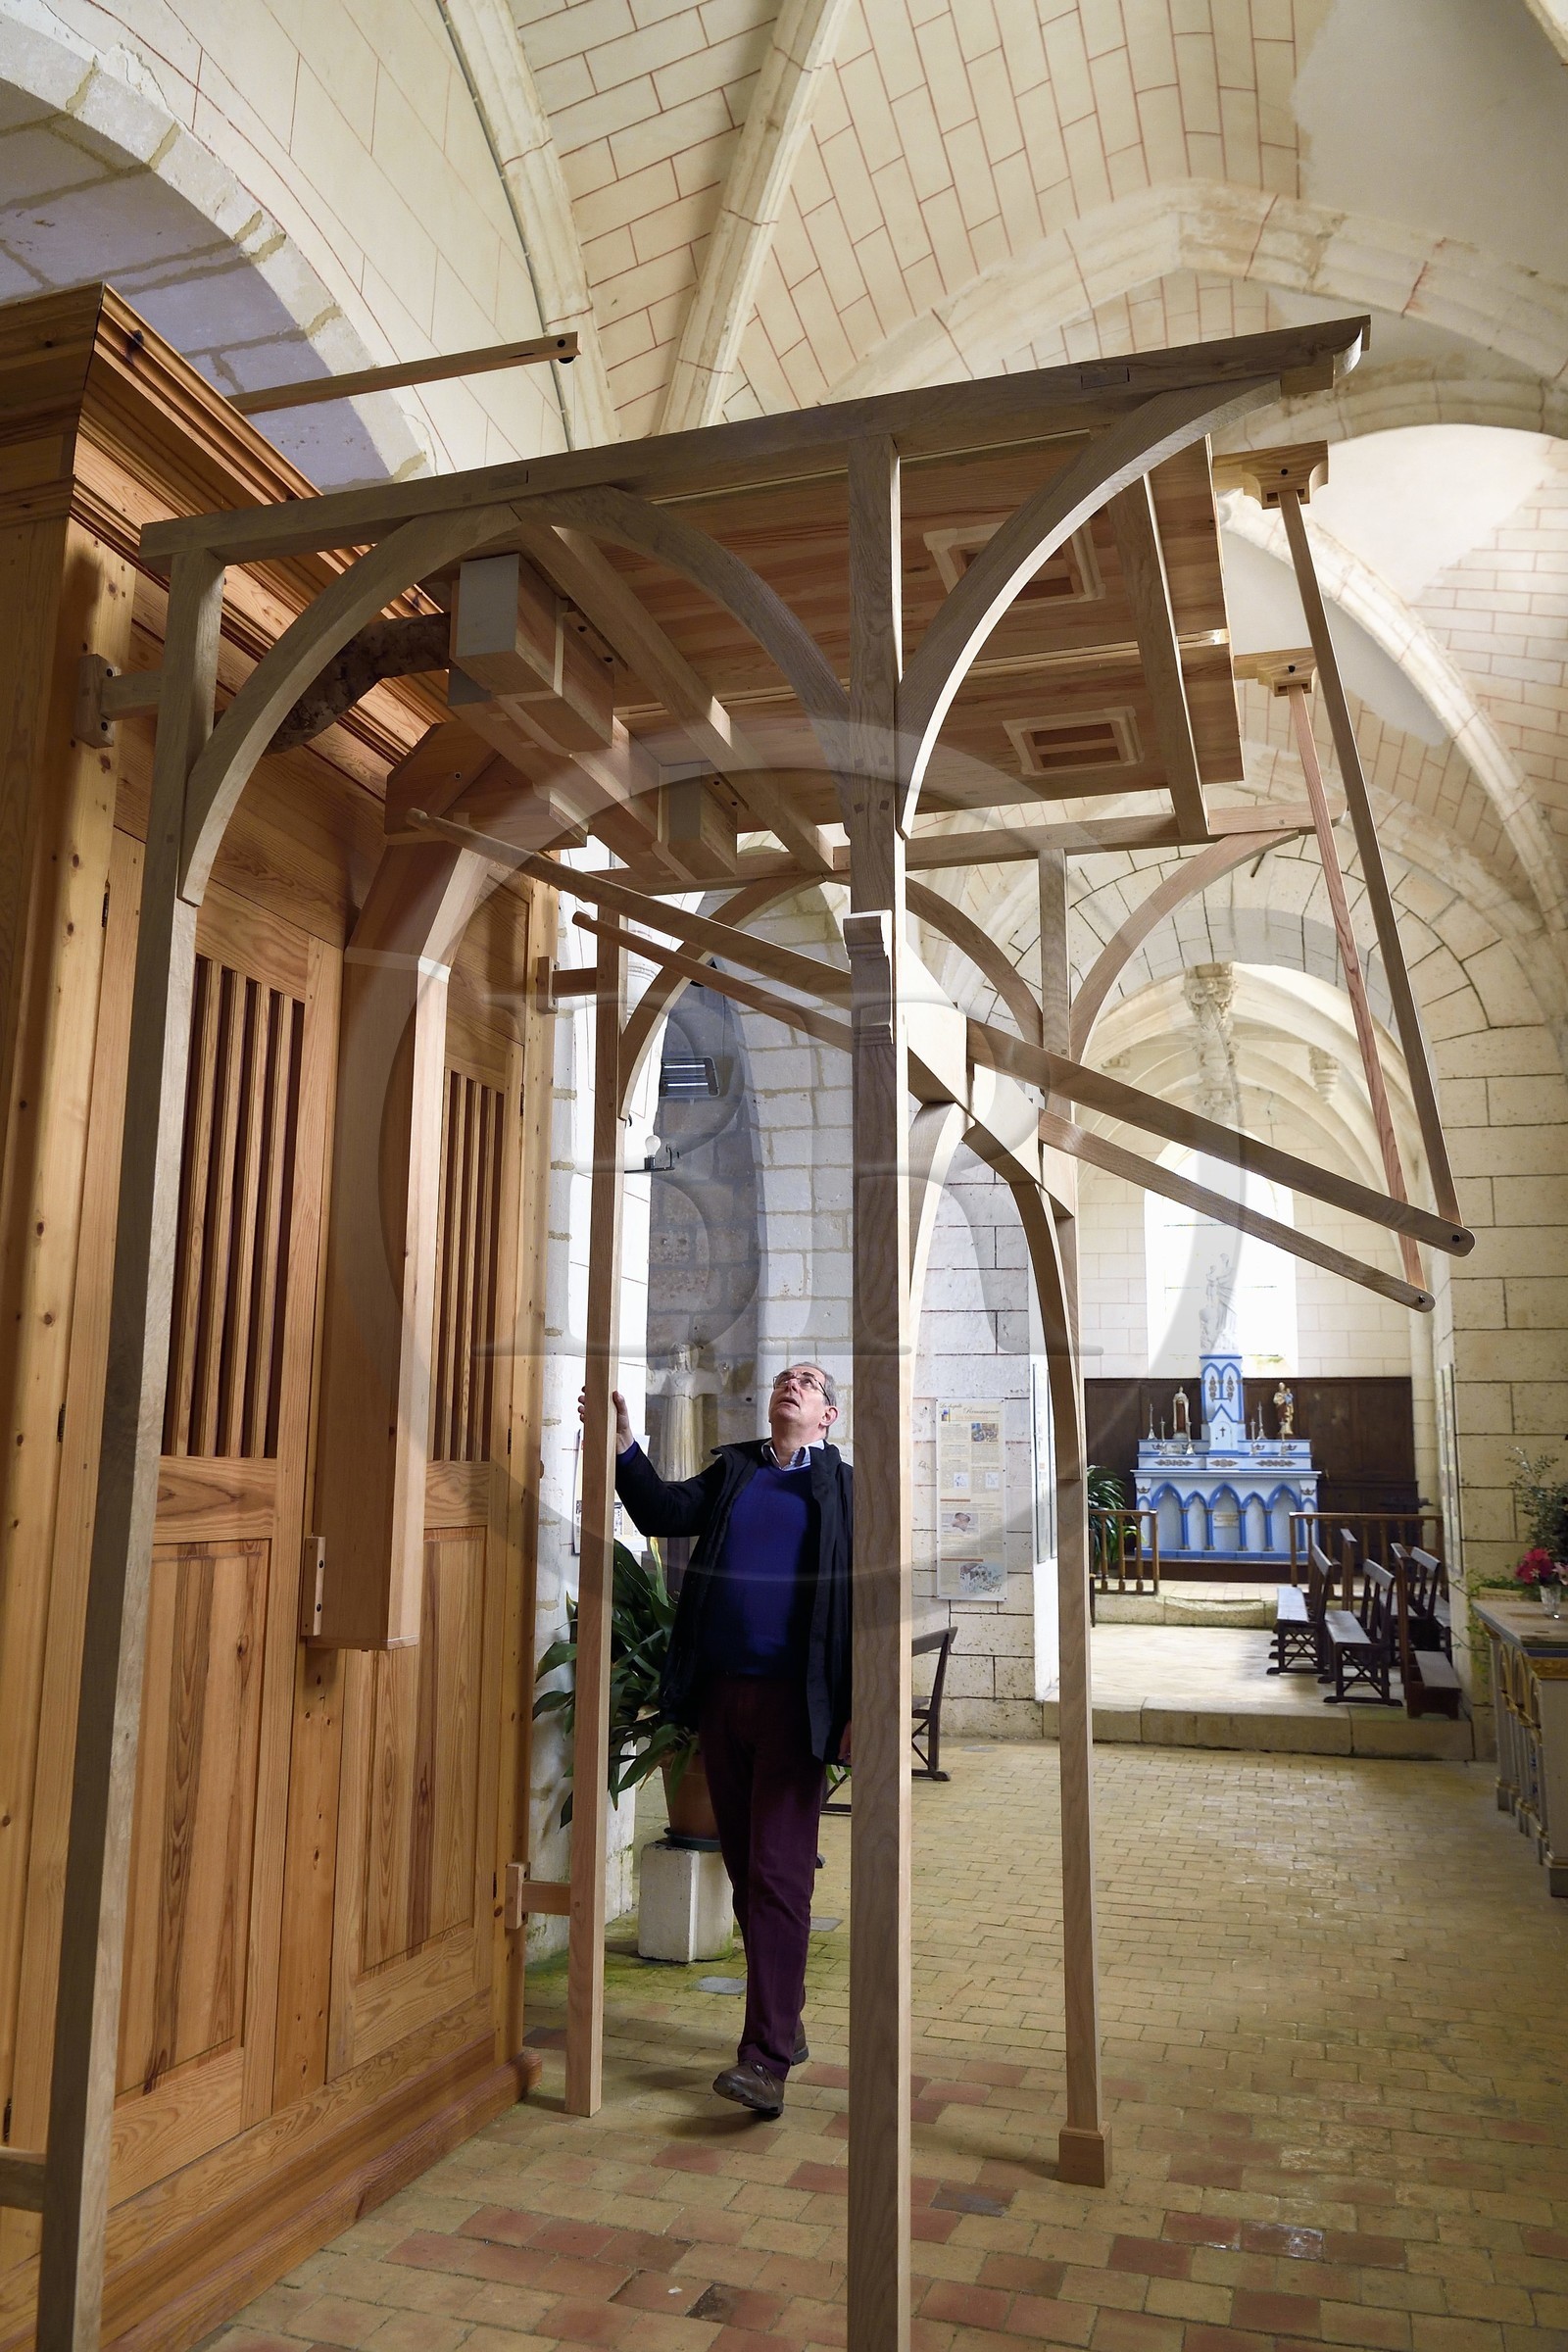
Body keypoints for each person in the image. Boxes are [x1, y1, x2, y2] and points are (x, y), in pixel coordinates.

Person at [582, 1364, 852, 2118]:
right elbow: (663, 1511)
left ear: (828, 1414)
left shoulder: (846, 1490)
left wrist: (860, 1706)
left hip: (799, 1710)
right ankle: (785, 2017)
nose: (789, 1385)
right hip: (724, 1697)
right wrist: (625, 1446)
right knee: (744, 1868)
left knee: (779, 1875)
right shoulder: (736, 1470)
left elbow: (869, 1601)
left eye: (807, 1382)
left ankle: (764, 2061)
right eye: (783, 1379)